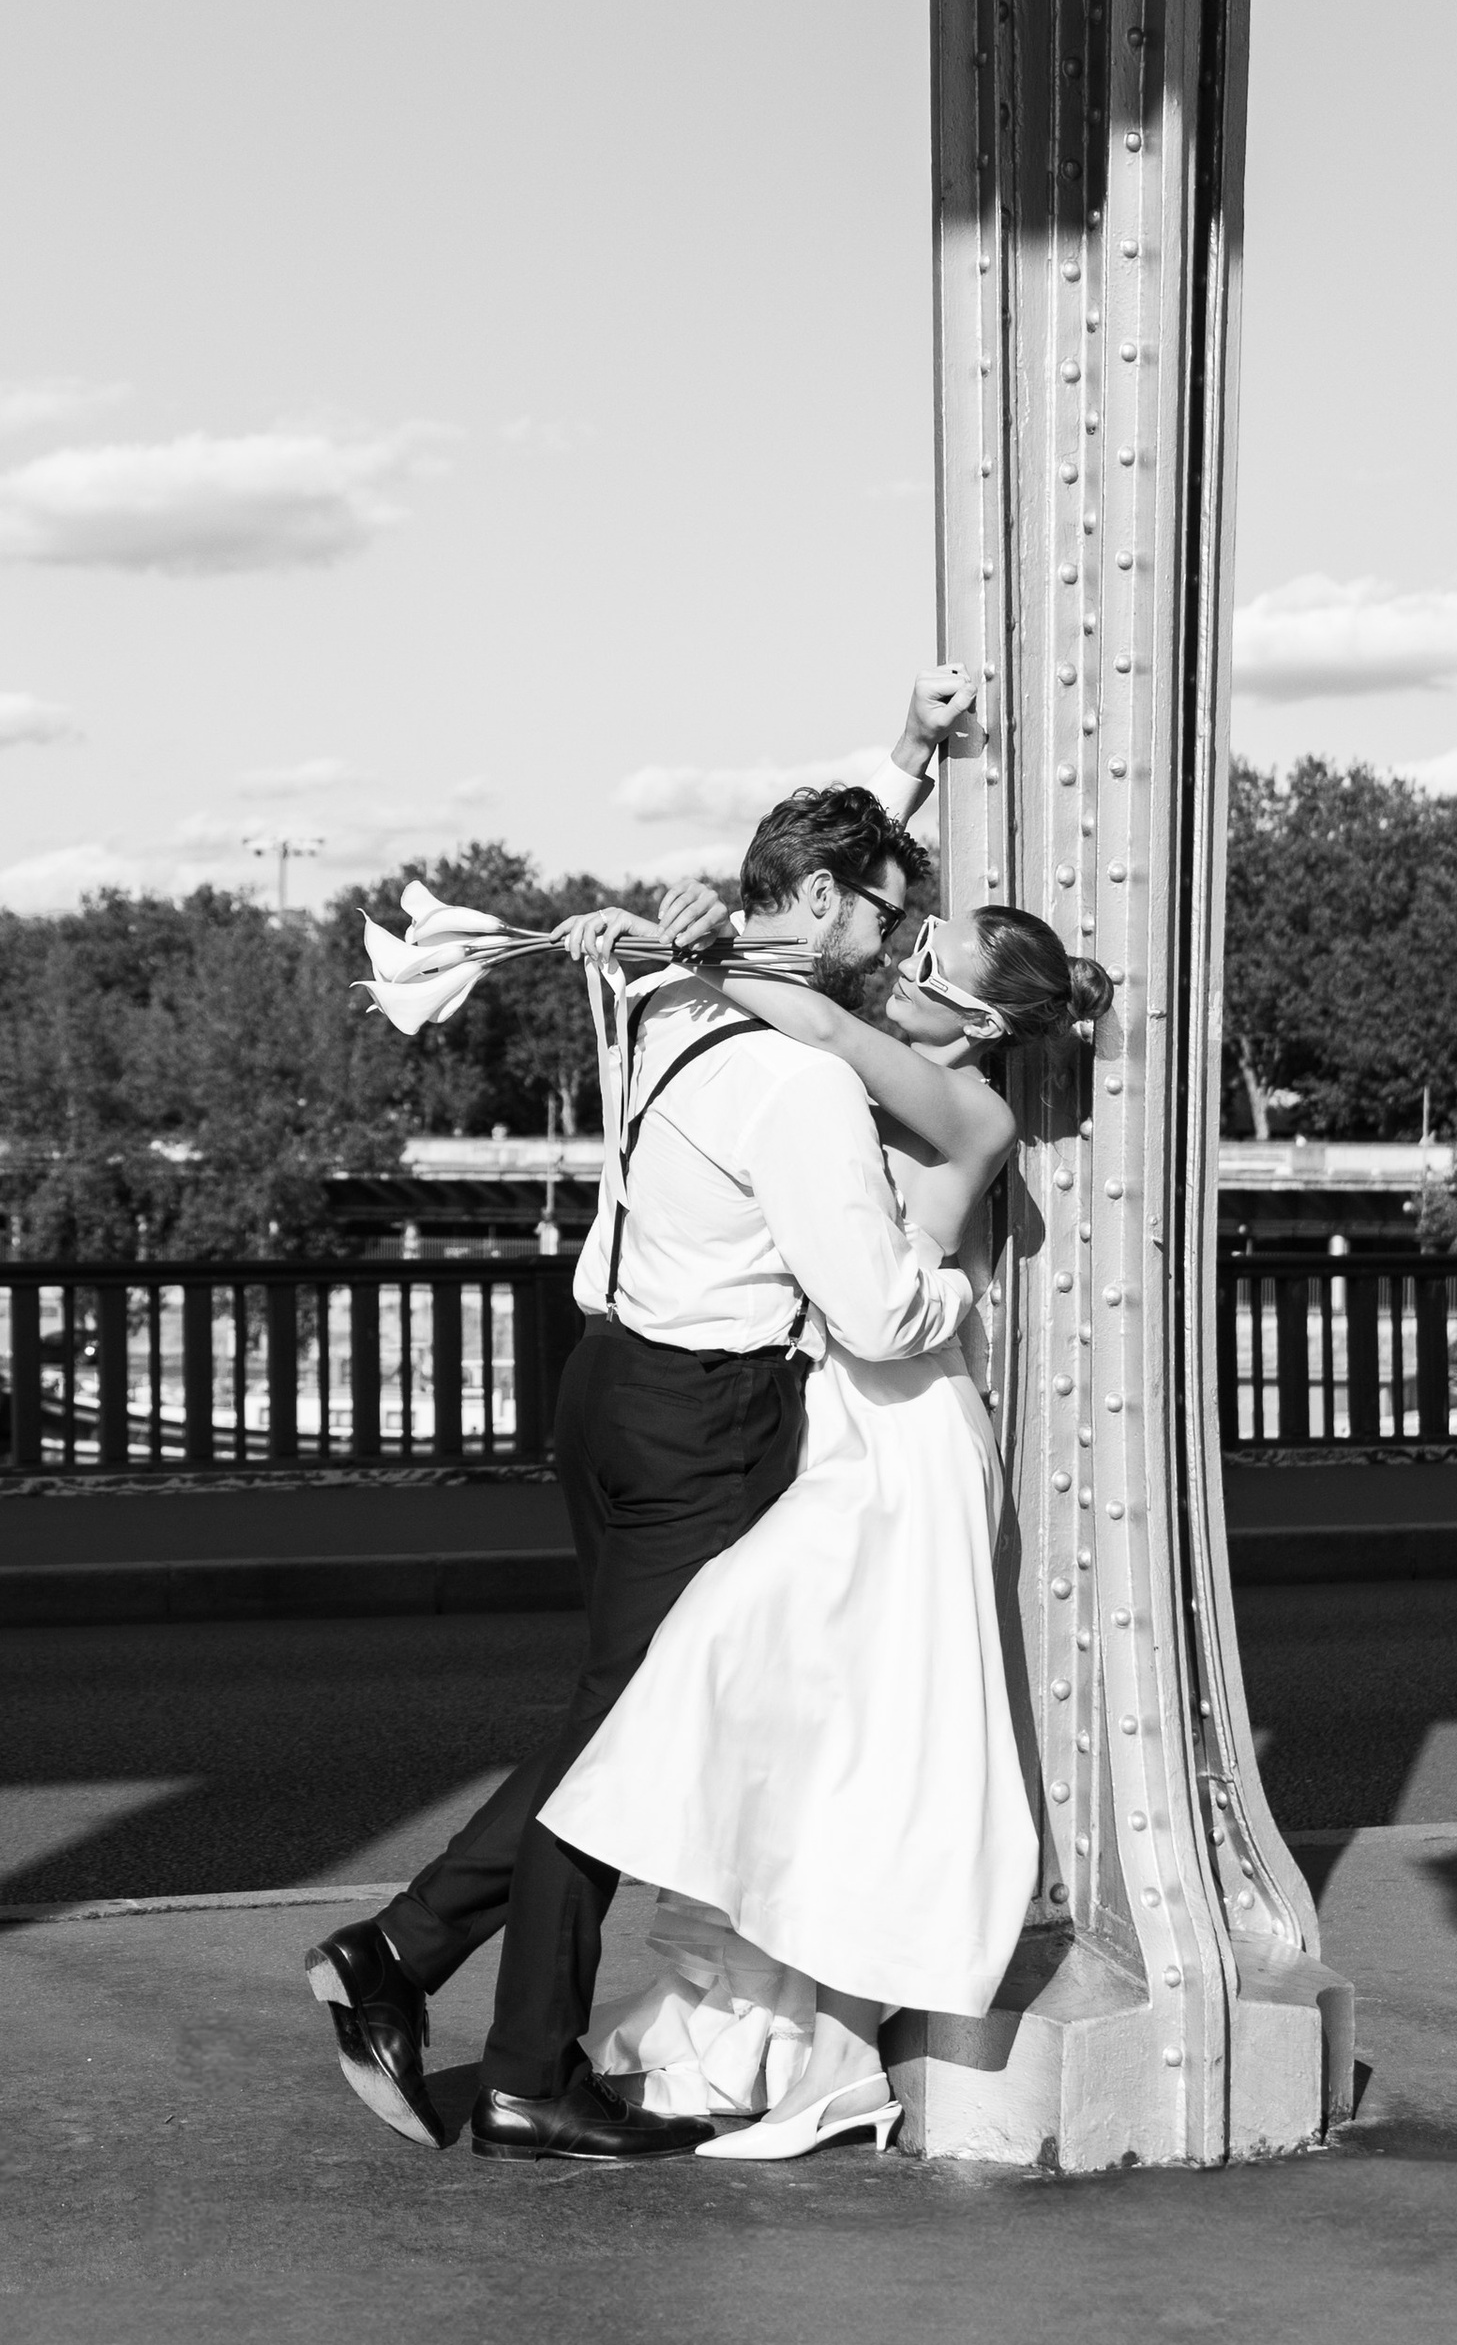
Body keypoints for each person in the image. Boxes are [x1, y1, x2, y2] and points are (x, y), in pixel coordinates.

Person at [306, 672, 994, 2164]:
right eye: (883, 914)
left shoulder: (660, 992)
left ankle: (470, 2012)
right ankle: (459, 2009)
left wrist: (905, 763)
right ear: (819, 902)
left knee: (616, 1722)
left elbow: (800, 874)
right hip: (708, 1419)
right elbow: (876, 1314)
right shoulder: (803, 1085)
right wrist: (955, 1294)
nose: (889, 948)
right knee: (627, 1742)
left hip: (603, 1387)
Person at [543, 874, 1111, 2163]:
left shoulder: (959, 1104)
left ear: (973, 1013)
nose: (897, 956)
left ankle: (835, 2051)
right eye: (903, 936)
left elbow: (814, 1012)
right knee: (811, 1724)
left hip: (904, 1435)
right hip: (837, 1416)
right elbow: (816, 948)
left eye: (923, 951)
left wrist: (665, 947)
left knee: (770, 1673)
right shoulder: (890, 1080)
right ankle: (788, 2039)